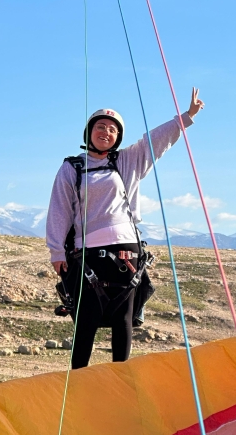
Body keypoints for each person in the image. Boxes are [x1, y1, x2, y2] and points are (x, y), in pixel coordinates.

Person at [46, 88, 204, 369]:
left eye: (112, 130)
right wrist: (56, 251)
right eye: (100, 126)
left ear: (118, 137)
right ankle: (79, 382)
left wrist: (186, 116)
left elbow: (156, 140)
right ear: (89, 131)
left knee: (123, 318)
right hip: (87, 254)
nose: (105, 132)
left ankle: (123, 380)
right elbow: (59, 210)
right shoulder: (72, 168)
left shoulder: (128, 161)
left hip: (126, 251)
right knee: (86, 319)